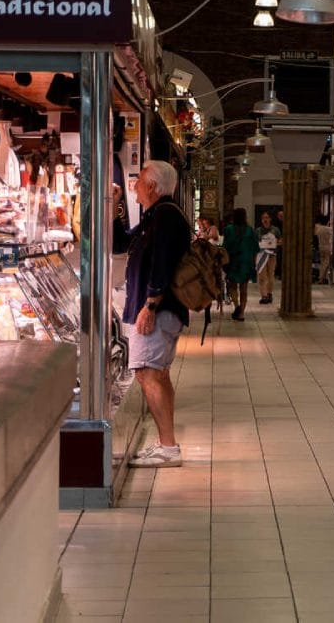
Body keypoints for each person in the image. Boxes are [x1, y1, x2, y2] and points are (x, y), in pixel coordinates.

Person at [118, 160, 191, 468]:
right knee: (157, 374)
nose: (134, 185)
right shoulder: (155, 215)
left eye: (139, 179)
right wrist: (112, 214)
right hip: (157, 309)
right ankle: (166, 443)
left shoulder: (165, 216)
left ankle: (168, 447)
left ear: (152, 185)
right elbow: (122, 243)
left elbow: (161, 263)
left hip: (157, 311)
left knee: (148, 374)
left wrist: (150, 305)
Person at [222, 208, 258, 321]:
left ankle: (237, 306)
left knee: (232, 286)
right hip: (246, 262)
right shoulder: (250, 230)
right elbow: (255, 248)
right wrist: (254, 263)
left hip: (233, 261)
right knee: (244, 288)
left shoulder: (228, 229)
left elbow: (225, 246)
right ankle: (241, 313)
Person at [255, 211, 281, 304]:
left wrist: (274, 243)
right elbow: (255, 242)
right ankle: (264, 295)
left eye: (267, 217)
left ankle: (269, 293)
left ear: (270, 219)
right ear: (261, 220)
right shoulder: (258, 230)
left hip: (271, 255)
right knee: (261, 276)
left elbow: (281, 241)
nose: (265, 219)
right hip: (261, 255)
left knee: (270, 276)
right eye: (263, 218)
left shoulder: (275, 230)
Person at [315, 213, 334, 285]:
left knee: (322, 262)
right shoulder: (329, 229)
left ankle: (322, 278)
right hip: (327, 247)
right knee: (326, 262)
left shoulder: (319, 229)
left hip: (321, 246)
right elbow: (331, 239)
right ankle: (321, 278)